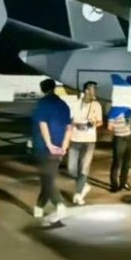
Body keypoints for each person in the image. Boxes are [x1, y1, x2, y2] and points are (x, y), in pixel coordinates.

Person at [31, 78, 72, 222]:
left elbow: (42, 124)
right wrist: (65, 146)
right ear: (54, 88)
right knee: (48, 177)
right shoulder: (63, 104)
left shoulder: (42, 103)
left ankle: (59, 204)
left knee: (47, 178)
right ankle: (39, 207)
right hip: (59, 147)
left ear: (42, 89)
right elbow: (68, 127)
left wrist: (49, 144)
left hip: (43, 147)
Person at [68, 81, 103, 205]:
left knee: (84, 168)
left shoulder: (96, 105)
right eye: (93, 89)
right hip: (75, 139)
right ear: (87, 91)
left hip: (89, 141)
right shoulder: (75, 104)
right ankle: (84, 185)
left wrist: (93, 124)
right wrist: (77, 124)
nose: (95, 91)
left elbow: (100, 122)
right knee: (71, 169)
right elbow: (70, 120)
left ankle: (78, 194)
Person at [108, 104, 131, 192]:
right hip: (119, 139)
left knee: (126, 163)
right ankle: (114, 186)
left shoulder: (125, 108)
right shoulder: (113, 111)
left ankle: (123, 184)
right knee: (117, 163)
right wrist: (114, 126)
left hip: (129, 137)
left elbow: (130, 113)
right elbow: (109, 127)